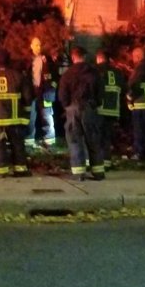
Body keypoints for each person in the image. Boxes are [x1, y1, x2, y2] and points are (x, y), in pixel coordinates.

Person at [0, 51, 32, 178]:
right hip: (15, 119)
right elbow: (28, 97)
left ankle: (1, 171)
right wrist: (26, 114)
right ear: (9, 61)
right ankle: (20, 169)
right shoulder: (18, 76)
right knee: (17, 144)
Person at [59, 45, 103, 180]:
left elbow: (62, 95)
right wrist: (95, 104)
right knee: (93, 139)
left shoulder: (67, 74)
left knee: (74, 140)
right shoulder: (94, 72)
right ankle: (98, 172)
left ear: (73, 57)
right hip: (89, 108)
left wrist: (67, 106)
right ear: (84, 57)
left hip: (73, 109)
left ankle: (79, 173)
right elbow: (100, 92)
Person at [94, 49, 124, 172]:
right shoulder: (117, 72)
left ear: (99, 59)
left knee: (97, 137)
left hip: (100, 109)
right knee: (107, 138)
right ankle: (107, 162)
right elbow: (123, 89)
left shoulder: (96, 70)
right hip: (113, 110)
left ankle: (98, 162)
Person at [25, 36, 57, 150]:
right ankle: (29, 141)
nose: (38, 47)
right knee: (30, 117)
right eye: (36, 45)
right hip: (32, 92)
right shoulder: (27, 60)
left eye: (39, 45)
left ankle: (49, 141)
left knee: (47, 116)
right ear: (31, 46)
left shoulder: (46, 59)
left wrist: (52, 88)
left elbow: (55, 75)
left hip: (45, 92)